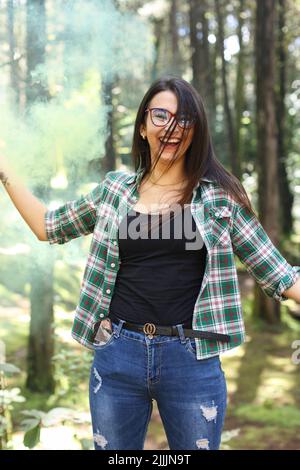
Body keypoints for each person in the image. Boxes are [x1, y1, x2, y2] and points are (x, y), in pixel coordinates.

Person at [1, 76, 299, 451]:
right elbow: (48, 226)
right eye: (160, 116)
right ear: (142, 127)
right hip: (117, 354)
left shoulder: (219, 200)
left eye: (184, 118)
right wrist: (4, 167)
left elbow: (281, 275)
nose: (172, 127)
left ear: (197, 131)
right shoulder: (114, 191)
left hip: (191, 358)